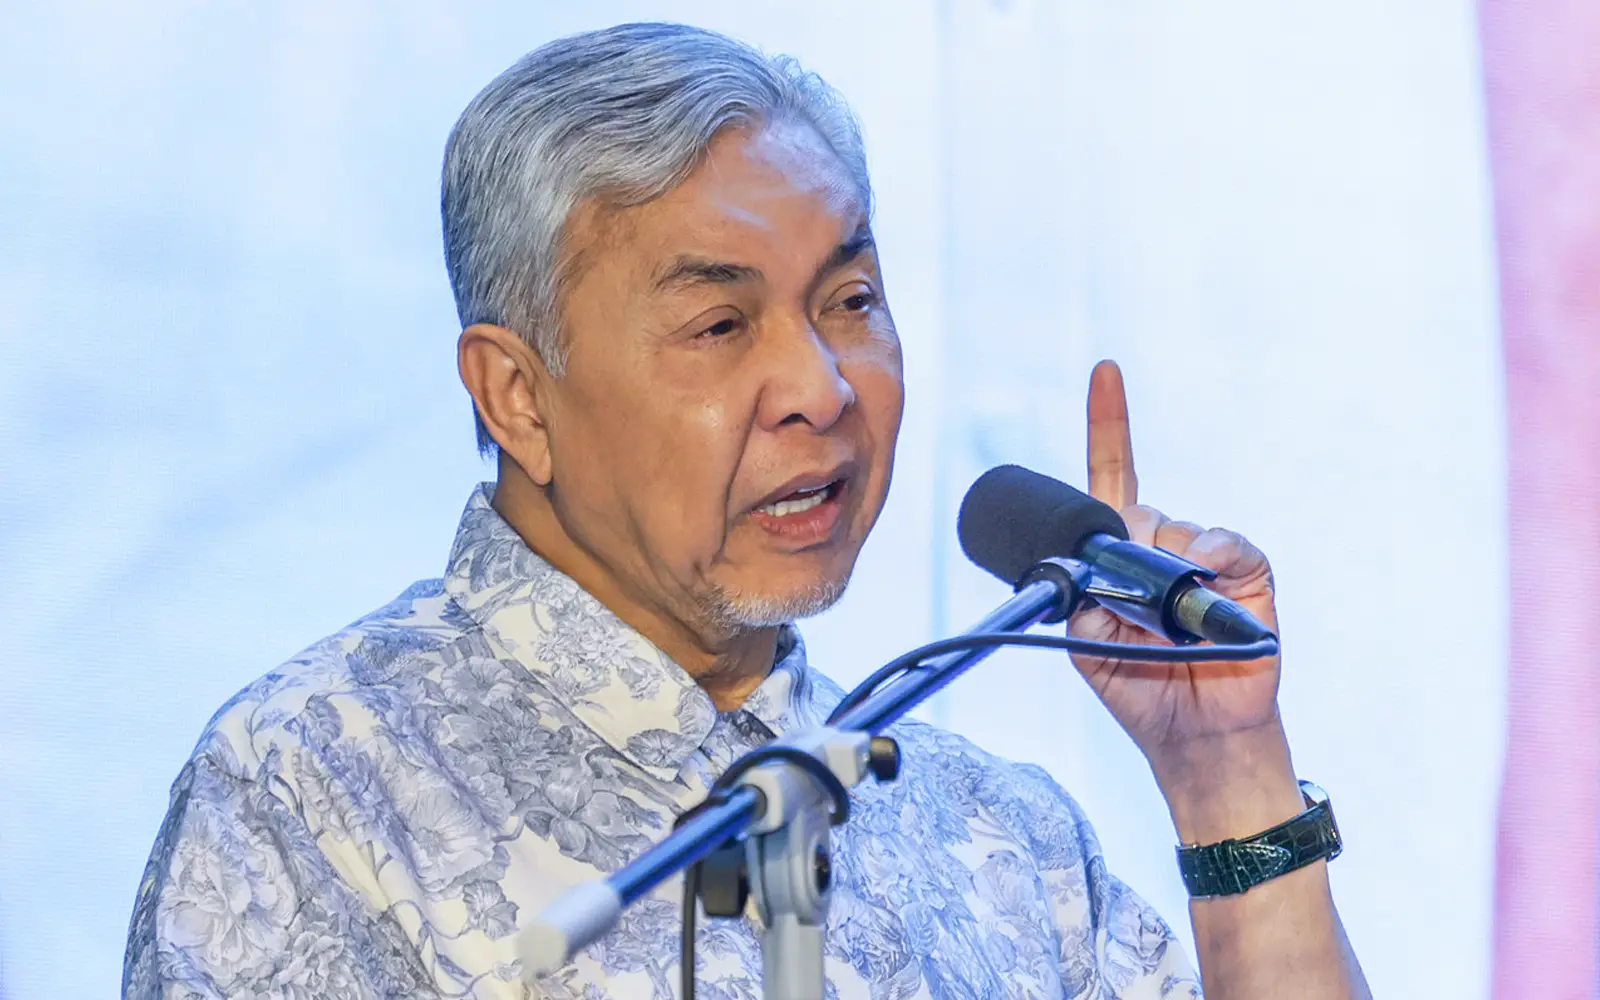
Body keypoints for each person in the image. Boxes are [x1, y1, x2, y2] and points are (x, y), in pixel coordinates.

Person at [123, 22, 1370, 1000]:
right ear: (516, 394)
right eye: (720, 325)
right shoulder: (318, 783)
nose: (821, 390)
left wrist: (1227, 779)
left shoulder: (999, 834)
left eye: (850, 300)